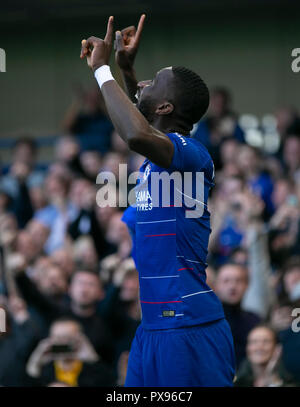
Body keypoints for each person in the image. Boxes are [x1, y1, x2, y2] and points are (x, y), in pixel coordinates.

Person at [80, 14, 235, 386]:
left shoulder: (193, 154)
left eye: (154, 82)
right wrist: (127, 71)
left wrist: (102, 70)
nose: (144, 85)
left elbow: (136, 133)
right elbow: (143, 124)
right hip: (151, 329)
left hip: (189, 329)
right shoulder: (160, 160)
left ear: (166, 108)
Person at [214, 263, 261, 368]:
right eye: (226, 281)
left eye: (238, 281)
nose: (232, 286)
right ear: (216, 286)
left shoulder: (255, 320)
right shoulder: (206, 320)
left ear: (247, 285)